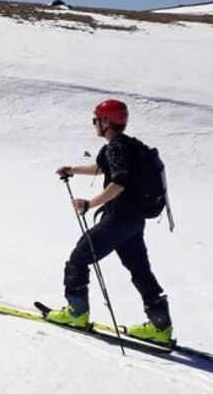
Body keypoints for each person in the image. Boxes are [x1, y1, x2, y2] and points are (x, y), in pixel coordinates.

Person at [50, 99, 172, 344]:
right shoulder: (128, 146)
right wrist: (73, 169)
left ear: (107, 121)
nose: (94, 123)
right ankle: (161, 328)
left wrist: (89, 204)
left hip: (118, 219)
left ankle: (76, 314)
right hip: (135, 221)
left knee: (79, 258)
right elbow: (103, 168)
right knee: (140, 271)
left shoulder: (116, 148)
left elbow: (119, 181)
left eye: (96, 119)